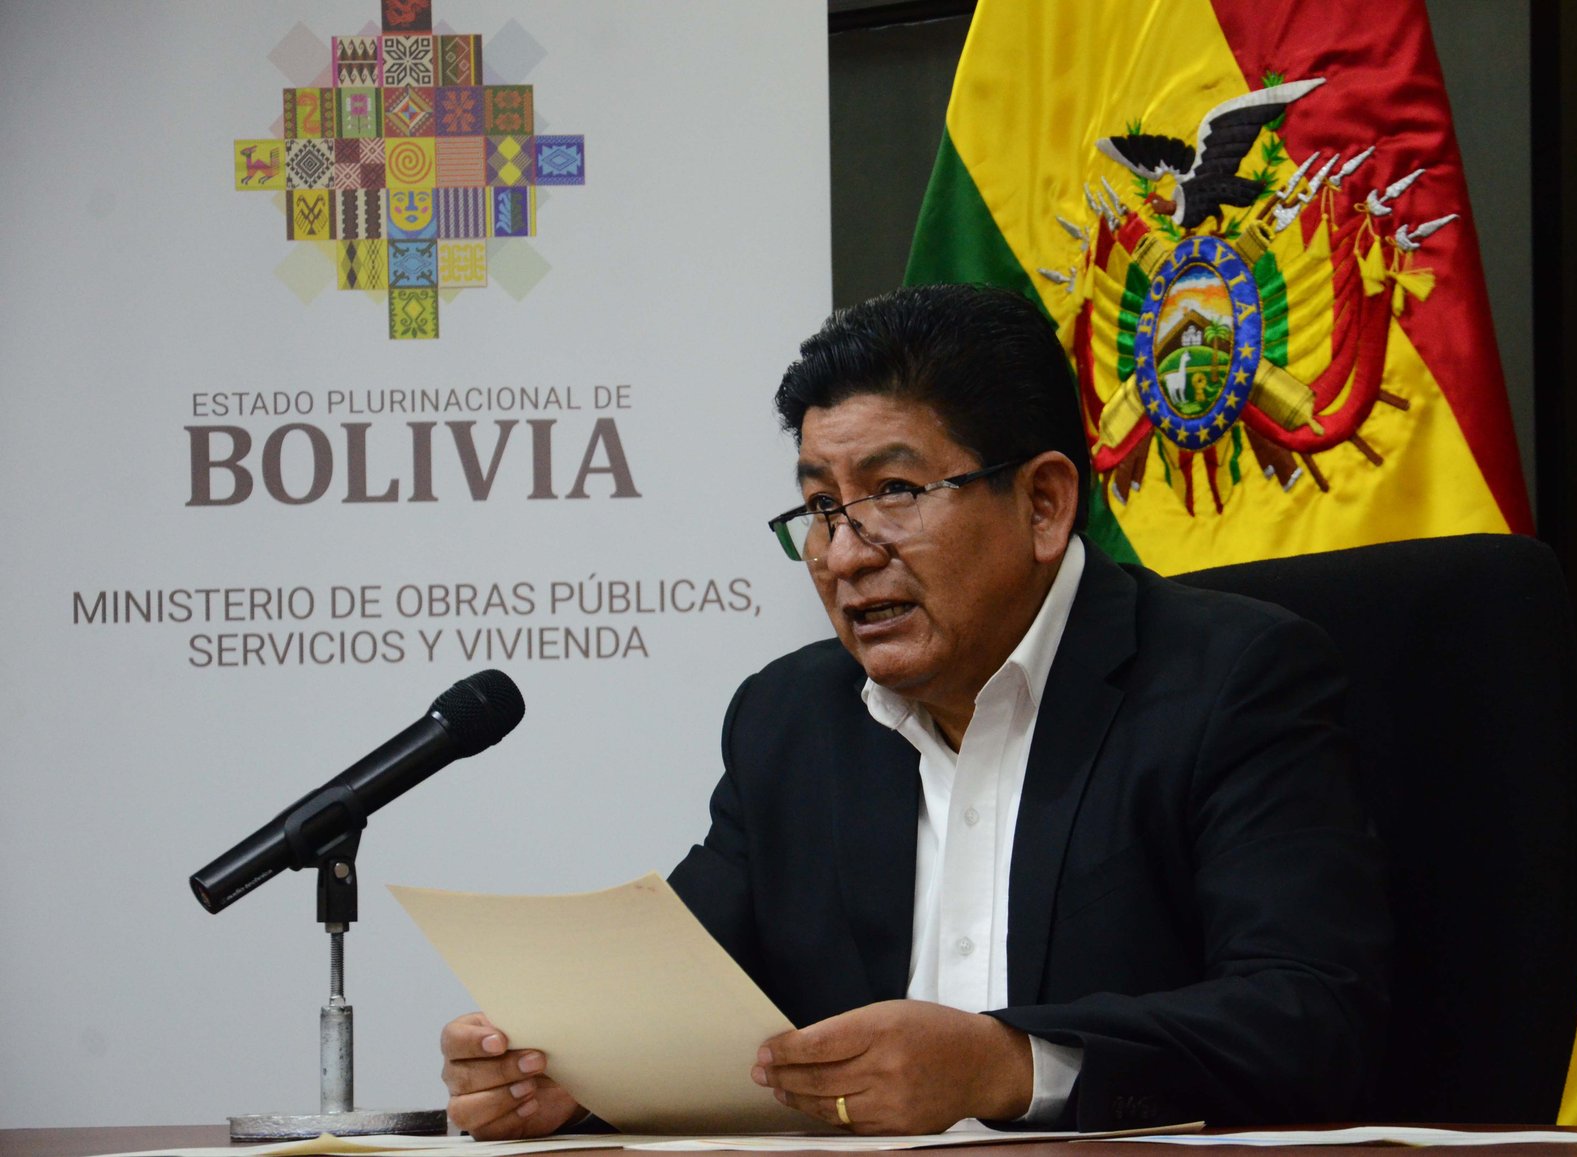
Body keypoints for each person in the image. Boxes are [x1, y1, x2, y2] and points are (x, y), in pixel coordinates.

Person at [439, 284, 1390, 1137]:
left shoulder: (1230, 680)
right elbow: (676, 997)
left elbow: (1309, 1019)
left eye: (893, 492)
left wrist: (1008, 1066)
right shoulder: (791, 719)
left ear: (1044, 503)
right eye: (821, 506)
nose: (845, 554)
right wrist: (566, 1071)